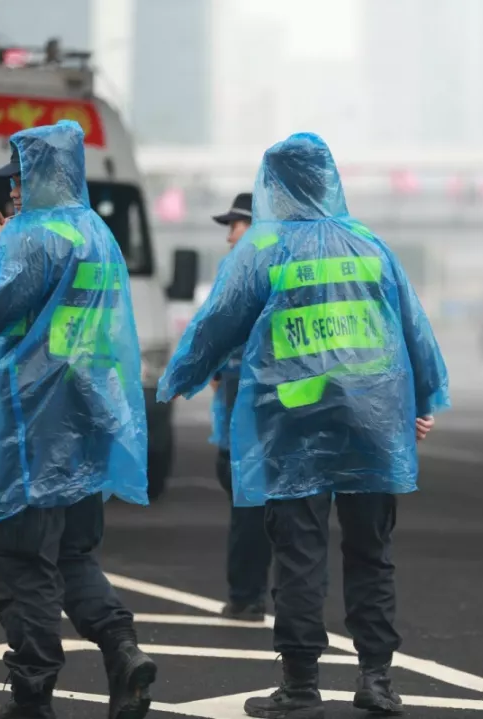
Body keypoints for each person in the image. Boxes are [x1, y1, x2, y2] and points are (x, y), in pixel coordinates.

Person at [157, 132, 449, 719]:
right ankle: (376, 679)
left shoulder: (265, 248)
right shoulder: (369, 245)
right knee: (371, 551)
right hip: (372, 421)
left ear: (278, 187)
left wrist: (175, 381)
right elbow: (413, 328)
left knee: (299, 553)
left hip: (294, 425)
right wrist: (423, 400)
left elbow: (215, 326)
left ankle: (299, 686)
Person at [0, 120, 157, 719]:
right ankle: (123, 650)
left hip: (34, 422)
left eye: (17, 178)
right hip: (88, 420)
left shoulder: (32, 237)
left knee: (22, 561)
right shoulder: (97, 233)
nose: (11, 191)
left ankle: (33, 694)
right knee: (74, 556)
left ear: (40, 177)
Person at [209, 192, 274, 621]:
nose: (230, 236)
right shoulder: (246, 267)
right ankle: (252, 593)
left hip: (251, 408)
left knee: (250, 506)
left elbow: (215, 329)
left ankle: (247, 595)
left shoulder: (251, 269)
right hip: (244, 405)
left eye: (236, 225)